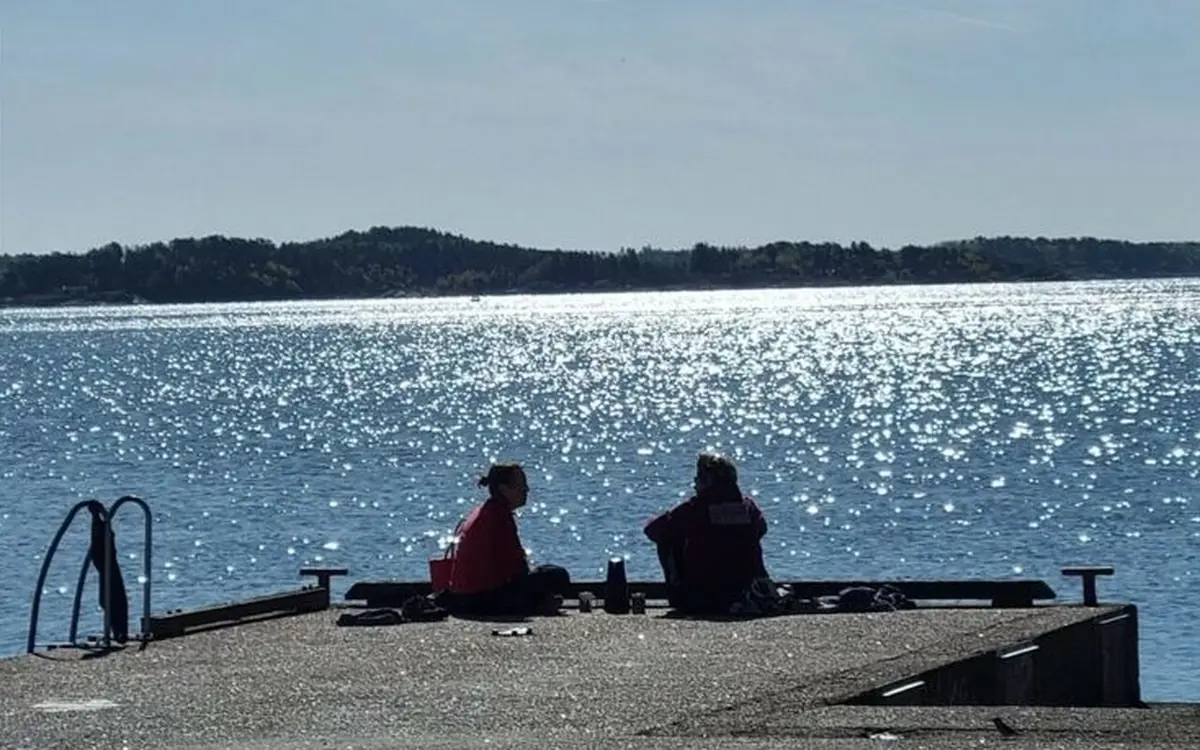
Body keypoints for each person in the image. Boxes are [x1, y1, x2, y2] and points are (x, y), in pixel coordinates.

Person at [644, 453, 769, 615]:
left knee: (667, 539)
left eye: (697, 480)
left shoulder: (697, 508)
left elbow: (653, 530)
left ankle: (679, 593)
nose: (694, 486)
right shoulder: (748, 508)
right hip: (747, 592)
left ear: (707, 482)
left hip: (702, 595)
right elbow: (762, 529)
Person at [443, 462, 571, 616]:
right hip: (481, 599)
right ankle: (536, 605)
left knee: (543, 575)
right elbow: (517, 567)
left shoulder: (485, 510)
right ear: (504, 489)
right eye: (521, 485)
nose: (527, 490)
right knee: (558, 575)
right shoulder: (499, 516)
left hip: (462, 597)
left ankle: (538, 602)